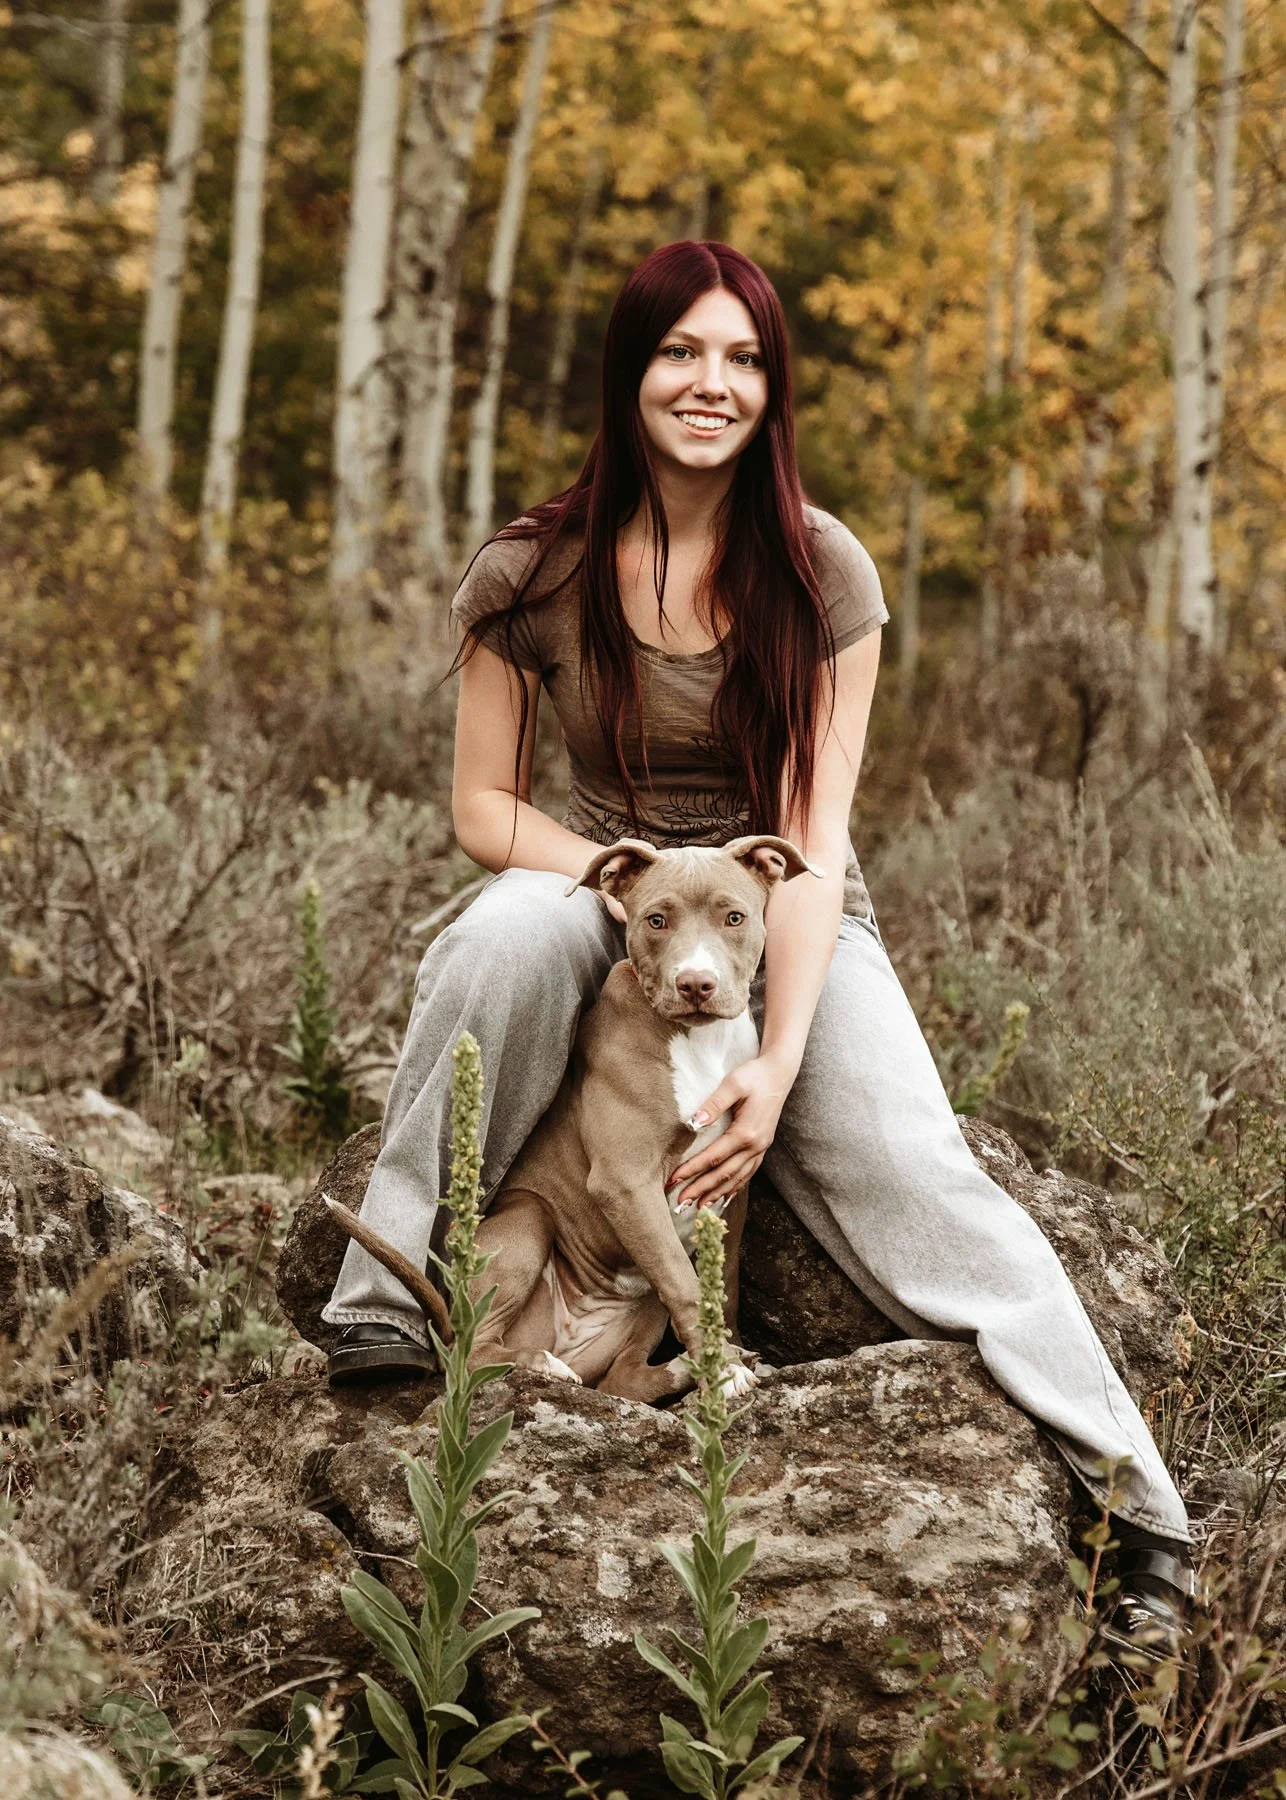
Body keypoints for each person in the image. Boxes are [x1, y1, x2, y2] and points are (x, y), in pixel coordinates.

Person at [322, 240, 1194, 1656]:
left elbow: (812, 831)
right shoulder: (530, 568)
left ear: (771, 388)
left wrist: (773, 1062)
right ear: (630, 372)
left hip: (785, 903)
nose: (707, 382)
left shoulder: (819, 571)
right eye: (679, 352)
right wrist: (621, 888)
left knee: (918, 1170)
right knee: (497, 931)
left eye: (739, 358)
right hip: (610, 890)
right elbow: (484, 808)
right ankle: (383, 1303)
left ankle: (1134, 1507)